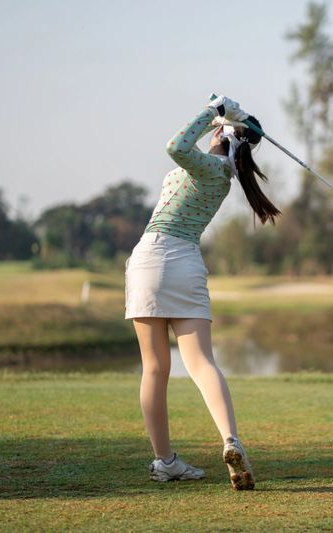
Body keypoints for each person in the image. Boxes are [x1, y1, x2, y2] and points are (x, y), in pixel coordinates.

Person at [124, 95, 280, 491]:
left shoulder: (209, 167)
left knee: (155, 368)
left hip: (149, 259)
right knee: (200, 362)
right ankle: (230, 439)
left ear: (222, 137)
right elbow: (189, 149)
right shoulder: (223, 175)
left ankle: (164, 461)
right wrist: (229, 122)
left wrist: (213, 110)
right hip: (185, 263)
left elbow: (175, 146)